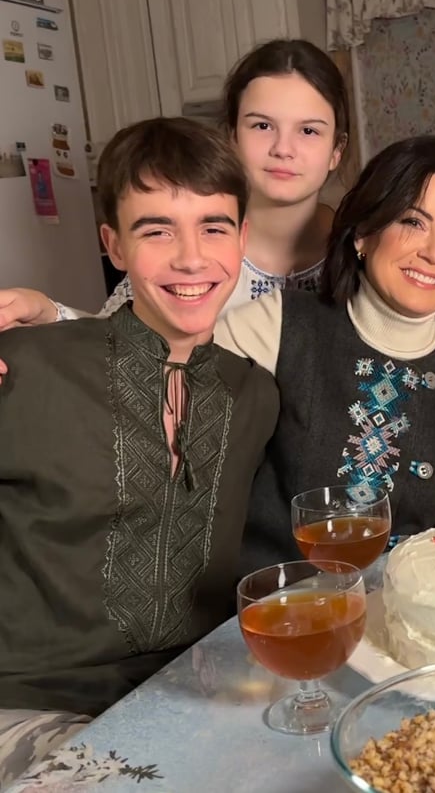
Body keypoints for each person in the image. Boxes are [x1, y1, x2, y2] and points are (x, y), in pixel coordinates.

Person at [0, 117, 279, 788]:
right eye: (157, 230)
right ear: (114, 245)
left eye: (214, 227)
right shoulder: (23, 368)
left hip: (195, 699)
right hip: (30, 704)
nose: (191, 258)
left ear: (243, 239)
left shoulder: (254, 395)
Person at [215, 135, 435, 579]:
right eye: (413, 222)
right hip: (272, 607)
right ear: (363, 232)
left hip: (401, 609)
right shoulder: (276, 326)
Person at [0, 37, 349, 329]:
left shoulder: (363, 249)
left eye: (308, 131)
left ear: (337, 149)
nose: (283, 149)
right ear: (231, 137)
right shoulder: (193, 249)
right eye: (262, 126)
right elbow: (115, 341)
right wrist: (50, 314)